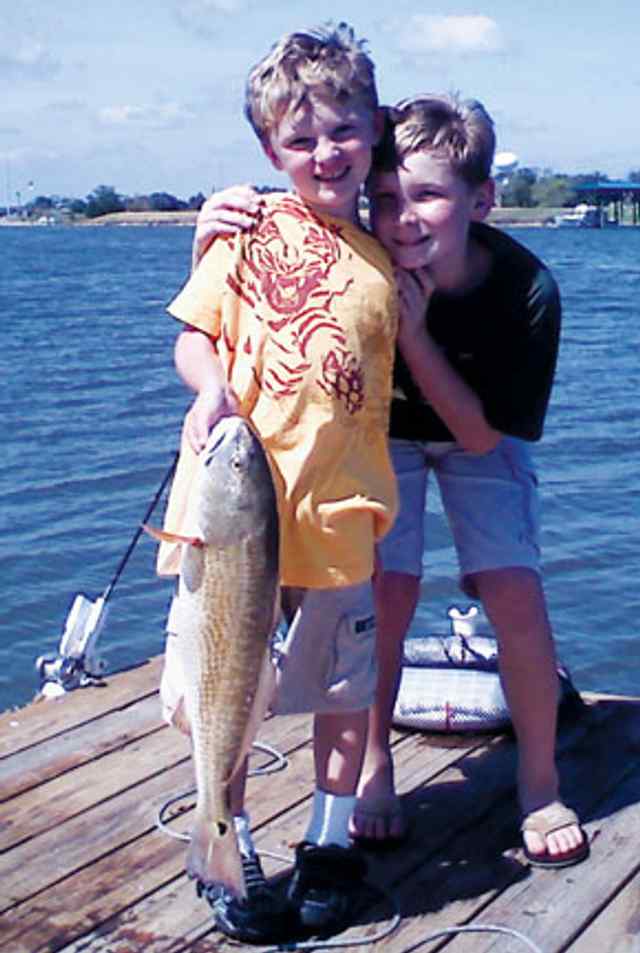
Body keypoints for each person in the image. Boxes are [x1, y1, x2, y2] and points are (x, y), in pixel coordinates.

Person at [193, 93, 589, 870]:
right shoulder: (355, 255)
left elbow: (480, 436)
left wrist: (412, 330)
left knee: (513, 587)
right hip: (383, 433)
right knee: (386, 594)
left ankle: (539, 782)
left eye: (429, 196)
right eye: (384, 197)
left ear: (482, 200)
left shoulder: (526, 291)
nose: (402, 217)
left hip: (479, 427)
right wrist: (211, 232)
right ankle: (375, 768)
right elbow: (268, 277)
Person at [157, 22, 399, 945]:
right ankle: (231, 837)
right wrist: (211, 385)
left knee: (342, 696)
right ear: (270, 151)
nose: (324, 153)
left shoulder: (385, 258)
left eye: (341, 132)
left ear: (371, 131)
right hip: (227, 521)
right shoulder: (246, 229)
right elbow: (191, 333)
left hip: (339, 523)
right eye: (299, 141)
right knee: (225, 691)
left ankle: (330, 844)